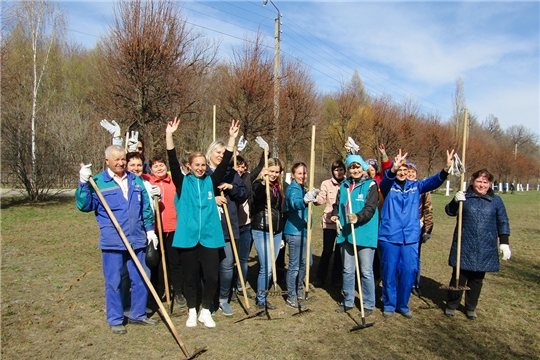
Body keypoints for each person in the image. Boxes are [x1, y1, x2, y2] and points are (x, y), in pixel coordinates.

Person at [76, 145, 159, 335]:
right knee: (114, 281)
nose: (121, 162)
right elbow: (84, 205)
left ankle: (138, 314)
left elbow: (145, 208)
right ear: (107, 161)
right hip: (113, 241)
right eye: (116, 159)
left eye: (123, 159)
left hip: (137, 239)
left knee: (141, 278)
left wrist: (149, 231)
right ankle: (115, 318)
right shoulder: (97, 182)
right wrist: (82, 183)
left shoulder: (135, 180)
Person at [166, 117, 239, 328]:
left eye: (202, 165)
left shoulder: (210, 181)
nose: (200, 168)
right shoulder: (182, 183)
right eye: (195, 165)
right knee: (190, 277)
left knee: (211, 277)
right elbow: (171, 158)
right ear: (188, 167)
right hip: (187, 238)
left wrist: (232, 139)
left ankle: (205, 310)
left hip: (209, 236)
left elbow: (225, 161)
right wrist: (170, 135)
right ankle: (191, 310)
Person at [378, 149, 454, 319]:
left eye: (406, 170)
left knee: (409, 270)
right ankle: (389, 304)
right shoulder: (388, 185)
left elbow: (434, 182)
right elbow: (384, 183)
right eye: (400, 169)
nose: (403, 173)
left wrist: (446, 169)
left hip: (410, 237)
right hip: (390, 236)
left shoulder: (416, 187)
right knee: (389, 271)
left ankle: (403, 304)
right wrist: (392, 168)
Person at [444, 168, 511, 320]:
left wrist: (504, 242)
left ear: (490, 184)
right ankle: (452, 304)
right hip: (464, 244)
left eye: (485, 182)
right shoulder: (465, 197)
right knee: (459, 276)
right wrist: (455, 201)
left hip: (485, 246)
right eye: (479, 181)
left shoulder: (496, 201)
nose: (481, 185)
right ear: (473, 182)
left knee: (477, 279)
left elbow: (503, 221)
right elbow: (449, 211)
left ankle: (470, 307)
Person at [331, 154, 379, 316]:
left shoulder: (371, 184)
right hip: (346, 233)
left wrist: (358, 217)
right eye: (352, 167)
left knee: (366, 271)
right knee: (347, 269)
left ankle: (368, 304)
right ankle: (348, 300)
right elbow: (337, 204)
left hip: (365, 233)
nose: (355, 170)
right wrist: (335, 214)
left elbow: (371, 208)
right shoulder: (344, 185)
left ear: (363, 168)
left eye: (358, 166)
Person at [205, 140, 248, 316]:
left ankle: (223, 299)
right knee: (209, 267)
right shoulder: (202, 171)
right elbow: (196, 195)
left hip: (228, 227)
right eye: (218, 152)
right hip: (209, 227)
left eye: (224, 153)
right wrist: (212, 199)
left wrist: (232, 188)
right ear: (210, 153)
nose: (221, 156)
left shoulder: (231, 173)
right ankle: (208, 300)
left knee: (228, 265)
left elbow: (244, 193)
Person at [144, 155, 186, 309]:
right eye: (155, 166)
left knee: (175, 262)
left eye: (161, 165)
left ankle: (179, 292)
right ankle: (159, 291)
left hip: (174, 227)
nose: (159, 168)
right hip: (156, 230)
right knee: (157, 263)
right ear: (151, 169)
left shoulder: (173, 180)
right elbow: (133, 172)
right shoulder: (148, 181)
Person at [250, 157, 285, 314]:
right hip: (261, 229)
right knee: (266, 267)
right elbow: (256, 197)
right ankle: (261, 300)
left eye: (276, 172)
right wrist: (263, 182)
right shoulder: (259, 184)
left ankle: (262, 296)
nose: (274, 174)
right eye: (271, 171)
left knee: (271, 267)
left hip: (277, 232)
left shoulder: (278, 187)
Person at [284, 162, 317, 309]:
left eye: (304, 173)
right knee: (295, 266)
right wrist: (304, 200)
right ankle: (291, 295)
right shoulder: (293, 189)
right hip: (294, 232)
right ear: (293, 175)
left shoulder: (303, 189)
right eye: (299, 173)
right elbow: (294, 202)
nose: (302, 176)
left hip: (304, 231)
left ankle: (298, 290)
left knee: (306, 263)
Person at [312, 159, 345, 288]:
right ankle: (320, 277)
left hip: (343, 223)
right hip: (329, 222)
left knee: (339, 252)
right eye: (336, 170)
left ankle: (336, 278)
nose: (339, 172)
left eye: (341, 169)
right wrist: (315, 199)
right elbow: (321, 198)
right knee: (327, 251)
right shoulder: (326, 183)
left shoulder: (348, 184)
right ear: (333, 171)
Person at [406, 162, 434, 297]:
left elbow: (428, 208)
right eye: (408, 171)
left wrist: (427, 229)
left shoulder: (422, 188)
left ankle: (415, 284)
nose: (410, 174)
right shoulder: (401, 186)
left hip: (418, 227)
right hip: (403, 227)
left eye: (413, 172)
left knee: (415, 257)